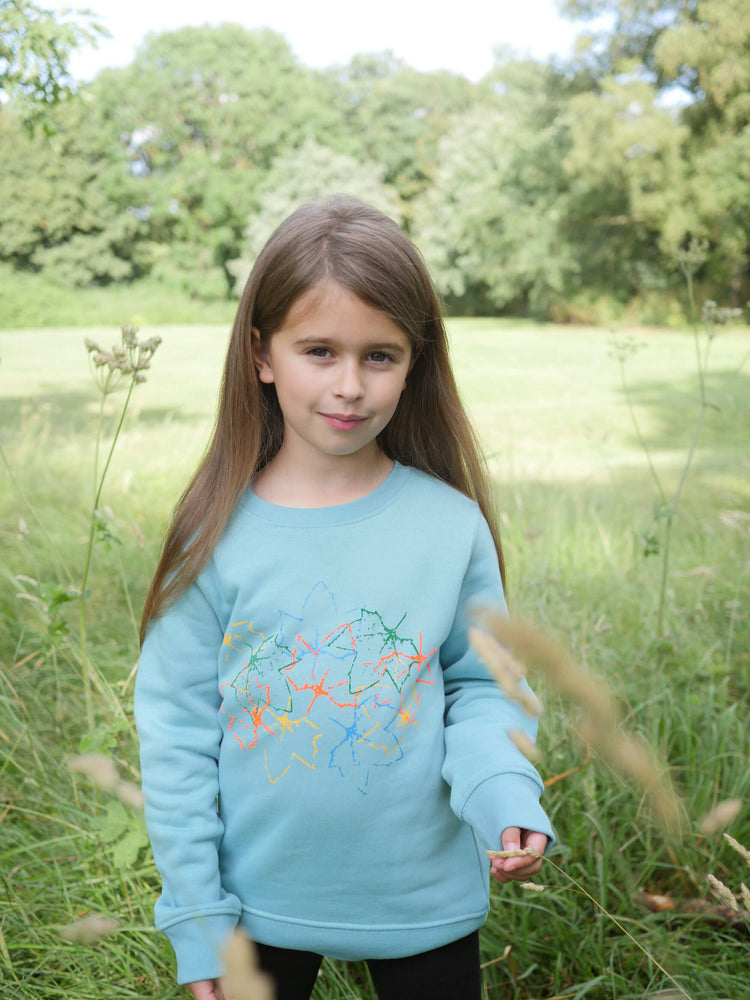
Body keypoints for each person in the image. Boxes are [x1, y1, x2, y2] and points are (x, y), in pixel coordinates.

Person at [134, 196, 553, 1000]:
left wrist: (504, 793)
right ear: (262, 354)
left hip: (422, 902)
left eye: (380, 356)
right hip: (254, 913)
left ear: (415, 360)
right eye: (319, 351)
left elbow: (481, 687)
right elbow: (177, 736)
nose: (350, 387)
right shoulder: (213, 534)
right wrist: (199, 919)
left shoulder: (448, 525)